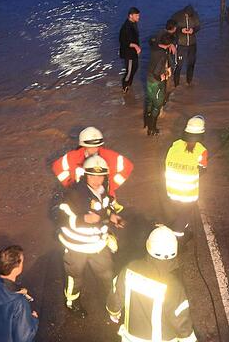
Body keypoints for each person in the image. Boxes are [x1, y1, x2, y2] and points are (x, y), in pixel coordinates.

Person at [56, 155, 125, 318]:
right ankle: (72, 303)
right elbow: (61, 216)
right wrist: (82, 219)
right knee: (75, 277)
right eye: (93, 175)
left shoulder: (104, 192)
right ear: (86, 175)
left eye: (100, 176)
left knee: (107, 273)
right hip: (76, 246)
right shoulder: (75, 194)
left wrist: (113, 217)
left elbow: (106, 210)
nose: (97, 180)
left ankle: (112, 302)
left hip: (97, 244)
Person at [107, 226, 196, 342]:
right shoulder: (173, 286)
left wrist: (114, 312)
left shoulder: (130, 269)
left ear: (148, 245)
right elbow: (181, 322)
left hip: (131, 337)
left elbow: (116, 294)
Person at [51, 126, 134, 195]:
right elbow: (57, 167)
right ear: (84, 146)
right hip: (80, 196)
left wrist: (111, 185)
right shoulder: (74, 157)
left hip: (104, 196)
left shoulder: (108, 156)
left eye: (97, 146)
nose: (94, 149)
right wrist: (70, 184)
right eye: (91, 147)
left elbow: (127, 166)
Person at [164, 115, 208, 241]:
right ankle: (178, 238)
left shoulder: (175, 144)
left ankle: (181, 226)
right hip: (188, 193)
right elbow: (202, 170)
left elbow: (167, 162)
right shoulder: (202, 150)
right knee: (184, 214)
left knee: (178, 212)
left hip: (172, 189)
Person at [144, 32, 174, 136]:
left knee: (149, 101)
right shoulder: (162, 55)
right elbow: (157, 72)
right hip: (156, 82)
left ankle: (146, 122)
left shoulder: (154, 47)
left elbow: (152, 38)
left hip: (148, 80)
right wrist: (163, 77)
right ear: (169, 44)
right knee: (157, 105)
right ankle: (152, 129)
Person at [168, 4, 201, 85]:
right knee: (178, 65)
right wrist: (180, 30)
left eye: (190, 15)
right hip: (180, 44)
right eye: (188, 15)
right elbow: (170, 28)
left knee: (191, 63)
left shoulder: (195, 15)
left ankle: (189, 82)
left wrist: (193, 30)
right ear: (184, 13)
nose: (189, 16)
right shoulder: (176, 16)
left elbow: (198, 26)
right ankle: (176, 84)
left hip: (192, 44)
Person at [119, 8, 142, 95]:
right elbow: (124, 42)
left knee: (135, 68)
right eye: (137, 15)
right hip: (128, 53)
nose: (138, 17)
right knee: (129, 71)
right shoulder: (125, 28)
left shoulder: (134, 23)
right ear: (130, 16)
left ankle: (129, 84)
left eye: (138, 15)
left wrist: (137, 48)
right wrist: (136, 46)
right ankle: (125, 87)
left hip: (134, 52)